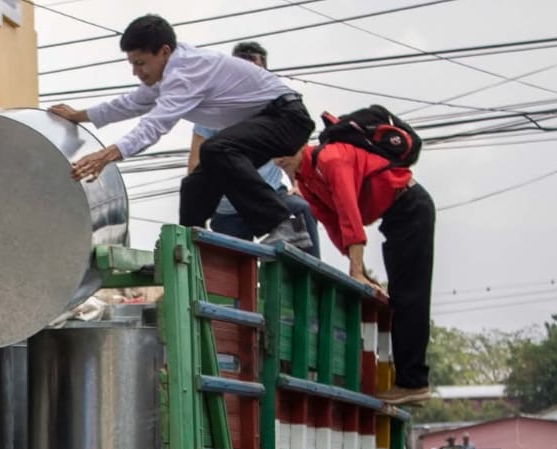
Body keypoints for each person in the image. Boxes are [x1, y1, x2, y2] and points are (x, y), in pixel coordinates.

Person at [48, 14, 313, 244]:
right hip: (268, 119)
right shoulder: (171, 70)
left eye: (140, 63)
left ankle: (283, 226)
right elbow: (129, 103)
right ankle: (189, 246)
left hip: (287, 118)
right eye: (132, 64)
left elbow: (154, 126)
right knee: (195, 183)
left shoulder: (185, 74)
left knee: (217, 149)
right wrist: (78, 116)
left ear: (164, 52)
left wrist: (105, 156)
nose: (136, 72)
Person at [276, 135, 436, 406]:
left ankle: (414, 382)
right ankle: (409, 380)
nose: (278, 160)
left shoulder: (331, 160)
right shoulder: (306, 181)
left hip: (411, 206)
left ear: (301, 144)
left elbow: (350, 214)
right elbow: (334, 225)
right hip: (395, 217)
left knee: (410, 296)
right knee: (400, 295)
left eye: (281, 153)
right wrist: (358, 270)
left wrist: (357, 271)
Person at [187, 41, 319, 254]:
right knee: (231, 273)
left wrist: (298, 185)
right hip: (229, 205)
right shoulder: (216, 108)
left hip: (272, 195)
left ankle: (311, 283)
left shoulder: (278, 105)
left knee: (301, 209)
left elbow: (295, 154)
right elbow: (195, 163)